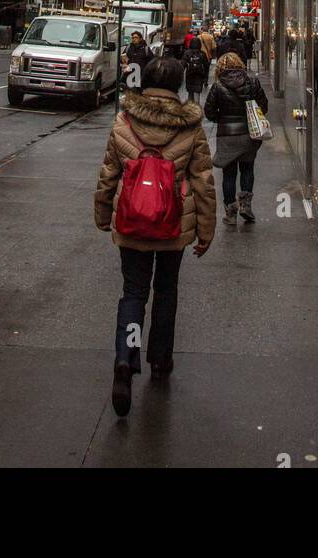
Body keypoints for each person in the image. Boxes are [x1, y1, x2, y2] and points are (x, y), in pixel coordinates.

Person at [94, 56, 216, 416]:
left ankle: (125, 358)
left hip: (131, 222)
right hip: (173, 224)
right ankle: (160, 360)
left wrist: (103, 214)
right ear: (178, 85)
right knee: (166, 290)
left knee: (133, 293)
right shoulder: (191, 128)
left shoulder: (123, 122)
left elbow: (108, 175)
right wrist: (206, 232)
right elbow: (204, 183)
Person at [205, 52, 269, 226]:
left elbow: (208, 111)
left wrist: (221, 118)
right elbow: (263, 106)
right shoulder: (252, 82)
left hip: (227, 135)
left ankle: (230, 213)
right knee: (247, 169)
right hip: (250, 133)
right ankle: (246, 205)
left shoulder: (218, 86)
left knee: (228, 174)